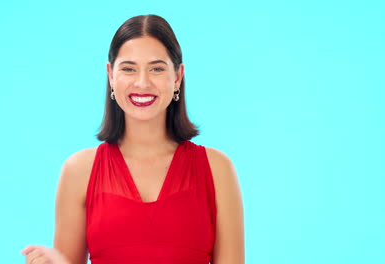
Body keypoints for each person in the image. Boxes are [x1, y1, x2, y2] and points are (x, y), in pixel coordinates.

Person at [21, 14, 244, 264]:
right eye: (129, 68)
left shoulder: (217, 169)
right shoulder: (78, 171)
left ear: (178, 76)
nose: (142, 82)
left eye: (157, 68)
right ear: (111, 75)